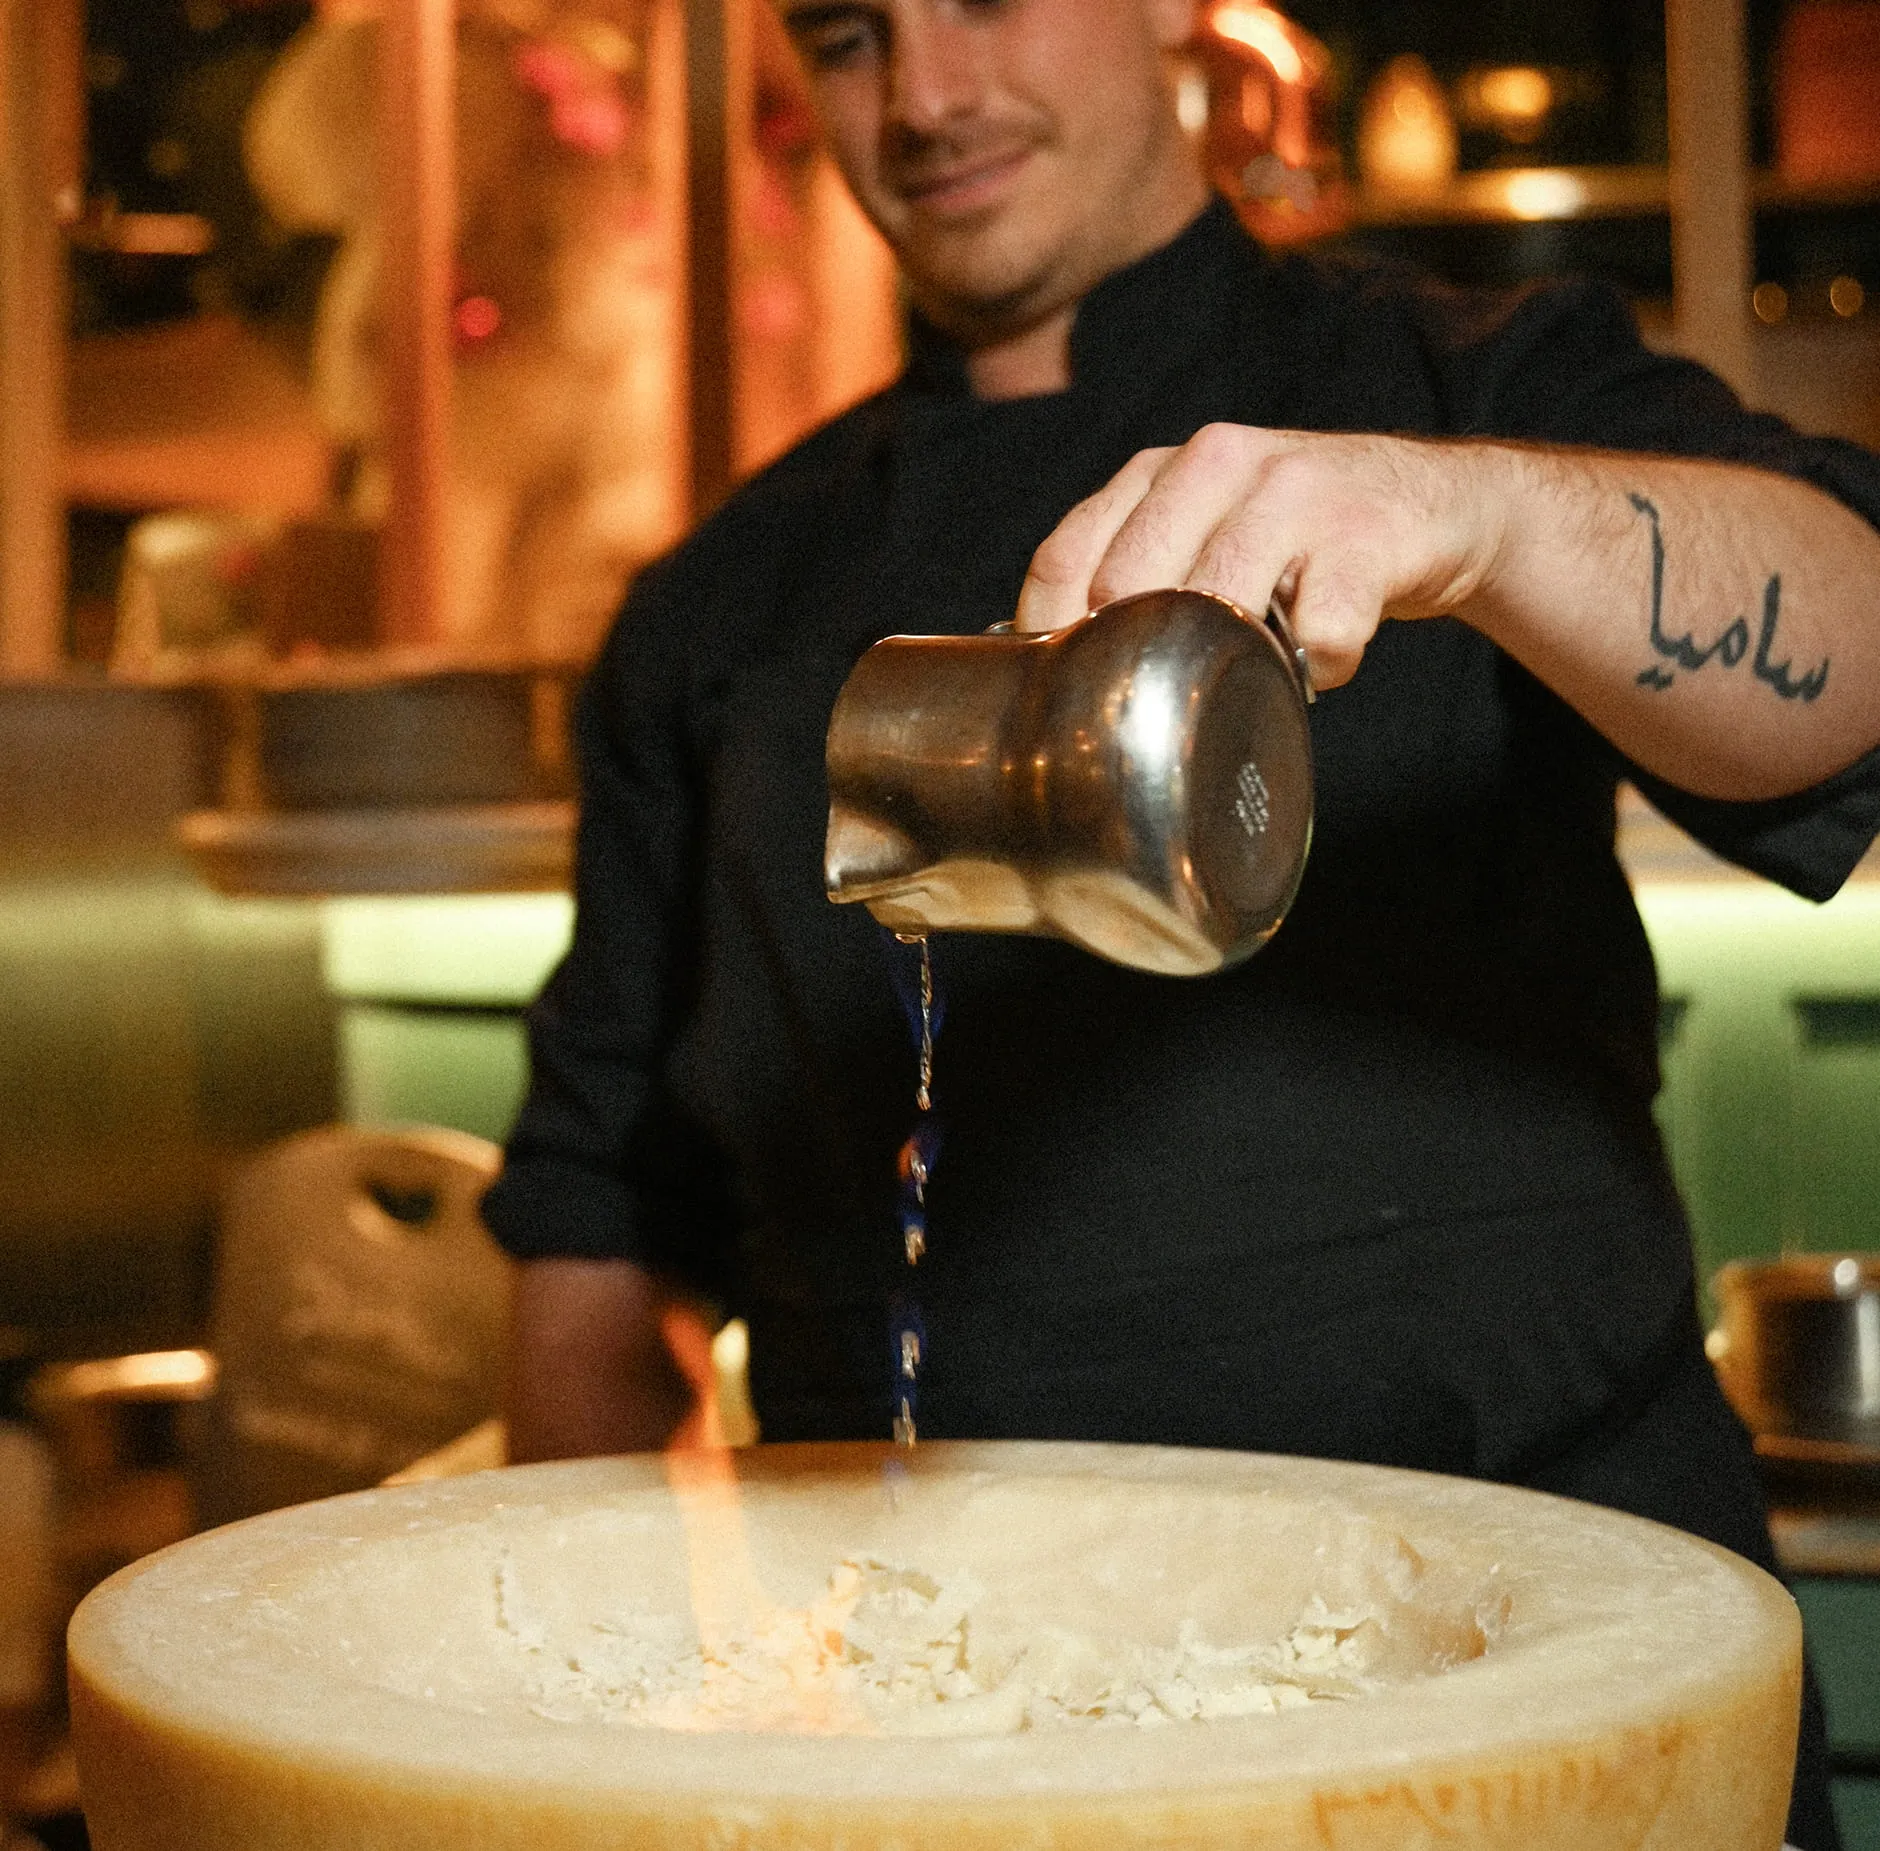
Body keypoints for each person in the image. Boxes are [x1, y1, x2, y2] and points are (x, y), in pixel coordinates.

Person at [481, 0, 1880, 1841]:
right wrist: (601, 1718)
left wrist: (1471, 525)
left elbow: (1854, 646)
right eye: (846, 37)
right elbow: (601, 1229)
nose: (925, 98)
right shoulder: (716, 601)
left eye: (984, 2)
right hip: (942, 1741)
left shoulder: (1455, 381)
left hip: (1548, 1686)